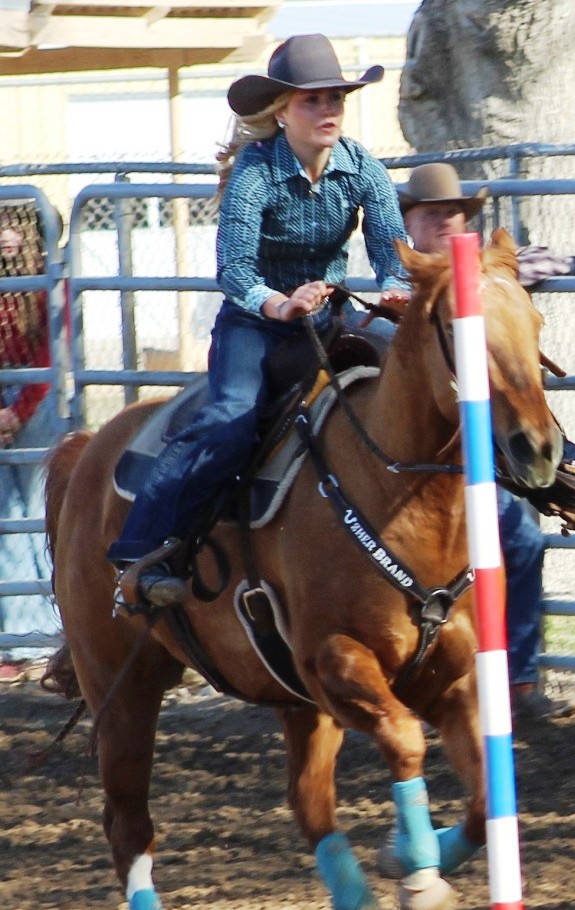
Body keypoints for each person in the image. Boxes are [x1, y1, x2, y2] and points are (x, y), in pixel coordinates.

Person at [110, 33, 410, 607]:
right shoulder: (254, 171)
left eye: (335, 100)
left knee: (412, 387)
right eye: (311, 101)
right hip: (256, 326)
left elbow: (392, 256)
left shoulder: (363, 167)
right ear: (281, 111)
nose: (327, 111)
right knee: (229, 421)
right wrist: (282, 303)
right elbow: (235, 271)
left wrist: (396, 291)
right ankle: (140, 552)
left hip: (331, 321)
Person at [398, 162, 575, 720]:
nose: (447, 223)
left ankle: (518, 680)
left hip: (488, 441)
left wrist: (567, 263)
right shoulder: (402, 274)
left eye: (454, 213)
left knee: (520, 540)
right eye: (433, 215)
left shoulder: (487, 271)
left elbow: (537, 262)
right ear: (411, 223)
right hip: (420, 451)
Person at [0, 201, 64, 681]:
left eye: (15, 225)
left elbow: (50, 358)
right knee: (6, 513)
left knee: (35, 508)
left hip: (36, 396)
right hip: (5, 396)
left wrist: (16, 412)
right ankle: (18, 637)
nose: (6, 235)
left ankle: (45, 635)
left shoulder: (50, 281)